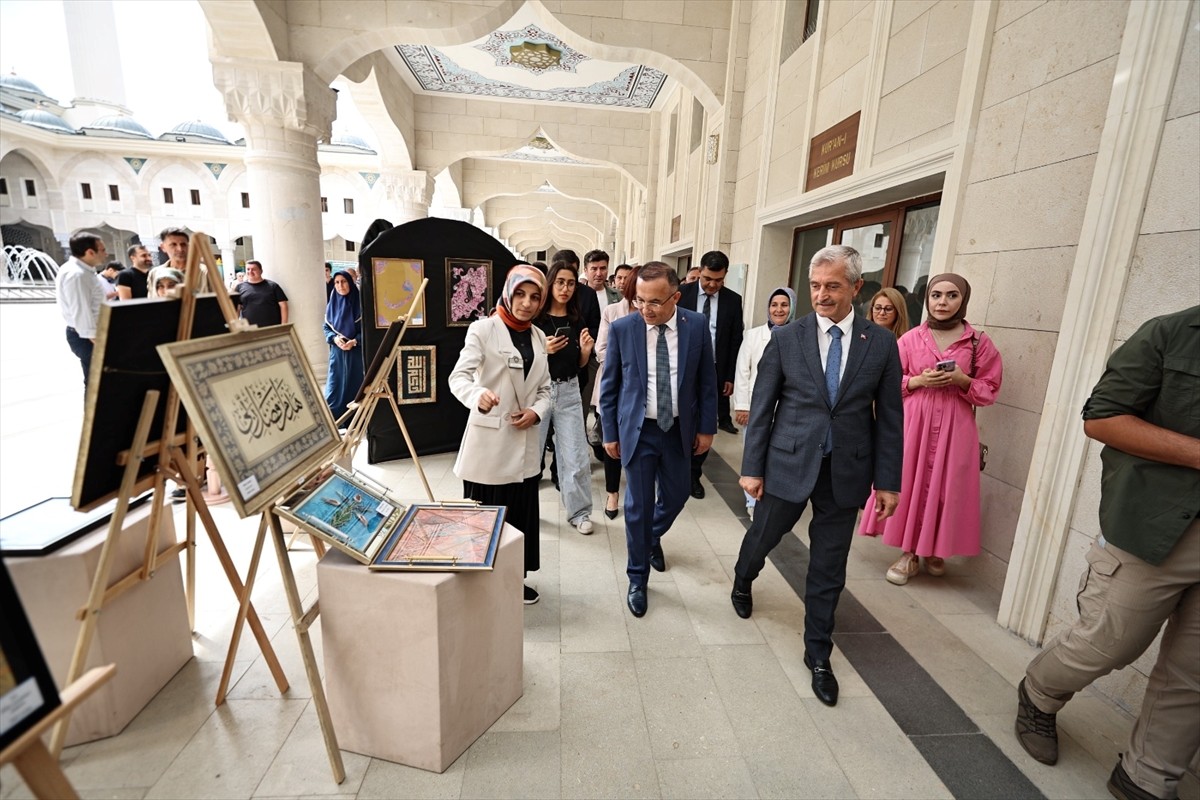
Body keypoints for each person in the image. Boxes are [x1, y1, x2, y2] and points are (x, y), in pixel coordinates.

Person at [1015, 306, 1199, 800]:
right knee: (1109, 642)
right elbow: (1102, 418)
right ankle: (1040, 692)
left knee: (1194, 673)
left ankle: (1147, 777)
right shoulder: (1171, 333)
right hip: (1152, 525)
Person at [729, 244, 903, 707]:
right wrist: (752, 468)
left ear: (856, 288)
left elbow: (890, 417)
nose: (822, 295)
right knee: (763, 536)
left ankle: (818, 652)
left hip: (846, 471)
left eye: (833, 286)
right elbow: (763, 407)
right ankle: (743, 578)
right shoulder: (788, 338)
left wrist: (888, 481)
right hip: (787, 463)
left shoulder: (880, 343)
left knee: (829, 565)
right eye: (815, 286)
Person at [859, 274, 1003, 584]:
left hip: (956, 423)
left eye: (952, 295)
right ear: (927, 299)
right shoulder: (910, 339)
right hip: (915, 421)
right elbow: (883, 383)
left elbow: (990, 389)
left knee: (948, 486)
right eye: (936, 295)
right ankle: (909, 553)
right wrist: (916, 381)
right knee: (911, 482)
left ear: (963, 300)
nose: (942, 302)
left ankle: (936, 549)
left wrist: (963, 380)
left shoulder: (978, 343)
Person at [599, 262, 717, 618]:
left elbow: (707, 381)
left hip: (679, 429)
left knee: (678, 494)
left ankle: (650, 536)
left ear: (675, 297)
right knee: (637, 506)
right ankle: (637, 577)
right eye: (639, 300)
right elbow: (610, 386)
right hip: (639, 431)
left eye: (654, 302)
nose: (645, 309)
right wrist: (610, 432)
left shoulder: (696, 326)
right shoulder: (623, 328)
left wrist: (707, 428)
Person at [449, 265, 552, 605]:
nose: (526, 303)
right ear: (508, 293)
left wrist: (537, 411)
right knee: (484, 520)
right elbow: (458, 377)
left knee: (518, 520)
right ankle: (478, 585)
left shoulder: (538, 337)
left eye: (534, 297)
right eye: (520, 294)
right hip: (490, 446)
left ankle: (511, 581)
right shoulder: (484, 329)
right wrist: (477, 395)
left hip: (524, 446)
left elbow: (546, 389)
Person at [534, 262, 596, 534]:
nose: (565, 288)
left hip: (569, 391)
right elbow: (523, 362)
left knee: (575, 455)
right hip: (539, 391)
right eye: (560, 282)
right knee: (530, 456)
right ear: (550, 284)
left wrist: (585, 351)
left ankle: (579, 513)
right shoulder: (535, 320)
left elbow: (579, 365)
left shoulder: (576, 320)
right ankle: (525, 510)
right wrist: (543, 350)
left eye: (571, 283)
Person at [679, 250, 744, 498]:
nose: (712, 285)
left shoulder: (732, 300)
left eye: (718, 280)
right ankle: (676, 468)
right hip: (681, 369)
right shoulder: (681, 294)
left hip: (714, 371)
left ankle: (693, 474)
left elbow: (735, 339)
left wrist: (730, 376)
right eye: (707, 279)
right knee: (680, 420)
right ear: (700, 271)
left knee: (706, 422)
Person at [731, 286, 796, 520]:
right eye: (774, 305)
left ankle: (772, 498)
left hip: (787, 409)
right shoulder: (753, 335)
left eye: (784, 305)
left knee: (779, 456)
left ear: (792, 307)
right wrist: (742, 405)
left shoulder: (799, 336)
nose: (778, 310)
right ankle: (752, 500)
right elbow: (742, 370)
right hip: (756, 407)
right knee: (754, 451)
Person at [54, 230, 108, 387]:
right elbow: (81, 313)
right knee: (96, 384)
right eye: (103, 250)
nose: (106, 254)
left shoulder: (82, 271)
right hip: (87, 338)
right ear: (90, 252)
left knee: (101, 382)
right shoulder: (77, 275)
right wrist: (100, 343)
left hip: (90, 335)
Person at [323, 270, 364, 420]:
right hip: (338, 353)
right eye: (337, 282)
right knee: (334, 388)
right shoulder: (332, 304)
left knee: (355, 388)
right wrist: (334, 338)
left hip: (356, 354)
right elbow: (326, 327)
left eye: (344, 281)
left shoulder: (361, 304)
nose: (340, 285)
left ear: (350, 283)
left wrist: (355, 341)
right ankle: (334, 422)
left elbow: (368, 330)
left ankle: (354, 422)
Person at [236, 260, 289, 326]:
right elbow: (237, 308)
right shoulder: (239, 287)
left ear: (261, 271)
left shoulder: (273, 286)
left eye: (253, 269)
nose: (250, 272)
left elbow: (283, 306)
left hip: (272, 327)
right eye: (248, 269)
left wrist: (284, 325)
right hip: (249, 328)